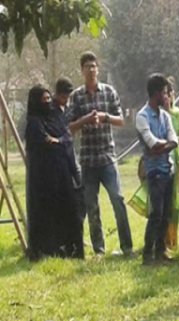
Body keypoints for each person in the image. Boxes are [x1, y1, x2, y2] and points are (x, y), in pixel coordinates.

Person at [68, 51, 133, 257]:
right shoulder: (76, 96)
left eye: (94, 66)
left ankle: (127, 247)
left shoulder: (109, 92)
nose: (91, 70)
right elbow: (69, 127)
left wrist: (105, 117)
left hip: (107, 157)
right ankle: (99, 250)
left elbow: (121, 120)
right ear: (82, 71)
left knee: (118, 200)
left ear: (98, 69)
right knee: (92, 206)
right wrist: (86, 120)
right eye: (87, 67)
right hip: (88, 160)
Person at [25, 85, 84, 261]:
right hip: (43, 179)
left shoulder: (56, 117)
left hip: (62, 176)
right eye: (43, 100)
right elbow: (45, 144)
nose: (47, 103)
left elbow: (66, 137)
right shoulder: (34, 123)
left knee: (68, 211)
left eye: (48, 99)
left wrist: (59, 141)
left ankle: (69, 249)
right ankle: (46, 250)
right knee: (45, 214)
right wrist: (58, 143)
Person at [136, 74, 179, 266]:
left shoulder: (165, 116)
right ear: (156, 94)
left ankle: (160, 252)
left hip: (168, 170)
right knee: (156, 214)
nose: (167, 96)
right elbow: (151, 143)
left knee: (166, 213)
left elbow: (174, 141)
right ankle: (147, 254)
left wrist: (159, 148)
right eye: (164, 92)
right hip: (154, 173)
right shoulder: (142, 117)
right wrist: (163, 145)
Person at [53, 77, 86, 226]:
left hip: (71, 155)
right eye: (63, 97)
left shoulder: (67, 109)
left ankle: (78, 225)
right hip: (58, 160)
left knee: (81, 190)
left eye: (67, 97)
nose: (65, 100)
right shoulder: (51, 112)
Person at [164, 77, 179, 250]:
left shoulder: (177, 114)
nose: (167, 97)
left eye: (169, 93)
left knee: (174, 201)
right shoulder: (155, 114)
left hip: (175, 161)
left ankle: (173, 241)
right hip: (159, 162)